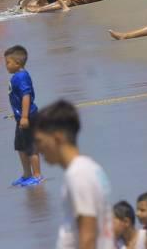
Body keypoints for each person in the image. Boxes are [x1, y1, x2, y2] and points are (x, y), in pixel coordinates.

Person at [32, 99, 115, 249]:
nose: (38, 149)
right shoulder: (90, 168)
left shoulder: (78, 174)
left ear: (57, 138)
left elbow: (88, 237)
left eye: (39, 141)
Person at [4, 45, 42, 187]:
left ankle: (37, 175)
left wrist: (25, 116)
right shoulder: (17, 76)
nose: (6, 66)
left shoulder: (22, 77)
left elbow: (26, 96)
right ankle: (27, 174)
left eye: (8, 62)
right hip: (20, 118)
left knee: (31, 146)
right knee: (20, 146)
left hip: (28, 117)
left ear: (17, 63)